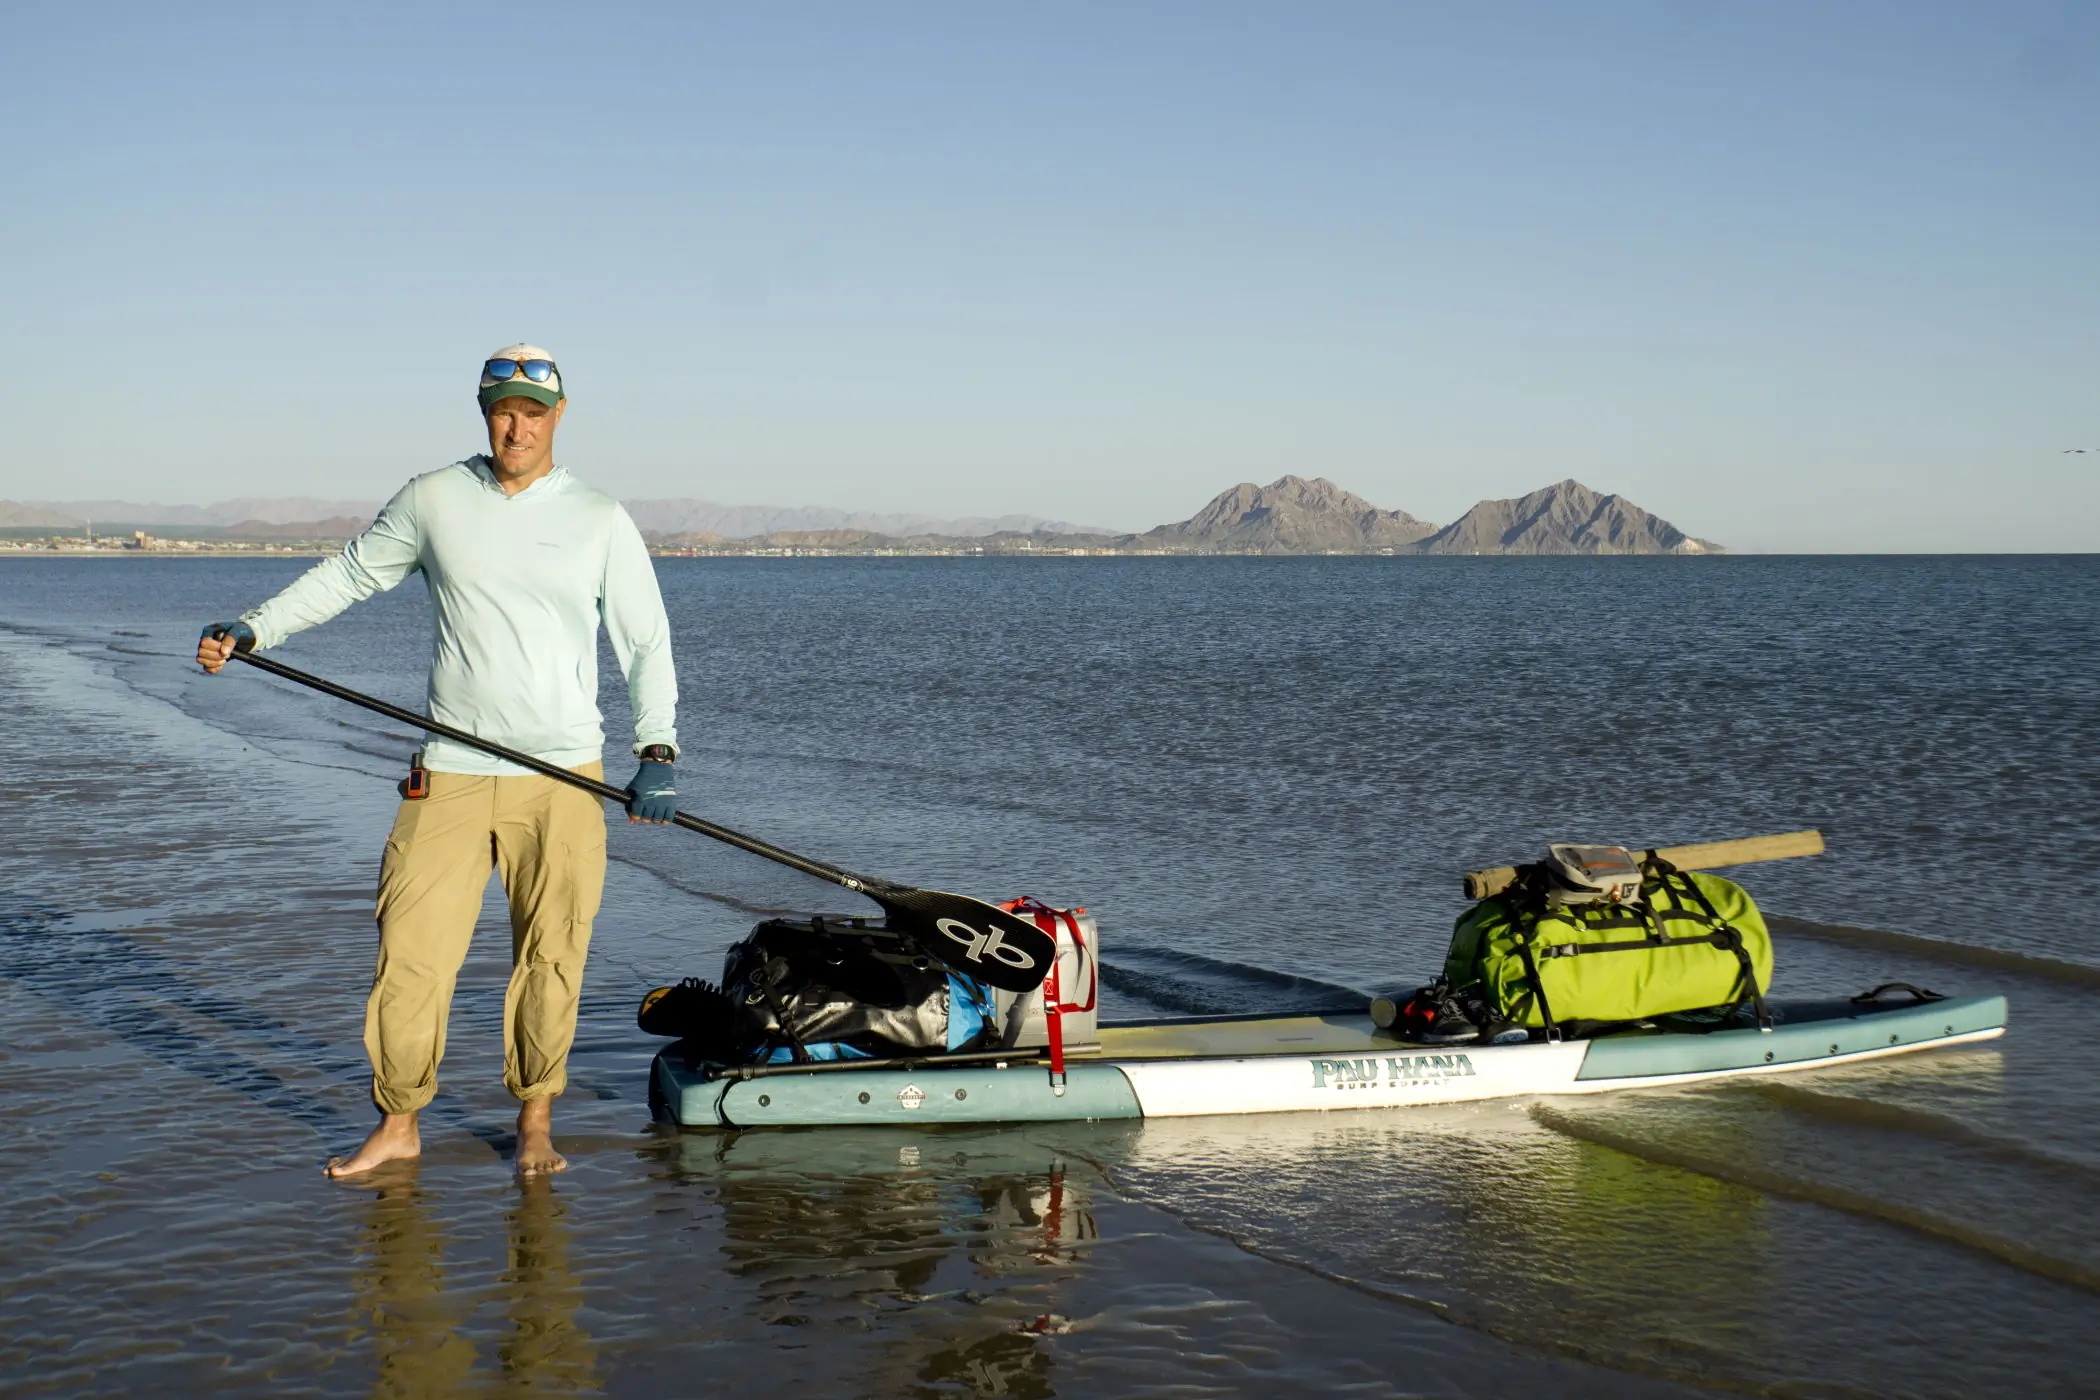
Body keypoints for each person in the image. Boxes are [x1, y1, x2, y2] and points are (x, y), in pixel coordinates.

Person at [196, 344, 681, 1177]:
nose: (516, 425)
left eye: (533, 410)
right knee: (410, 953)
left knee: (552, 956)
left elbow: (644, 640)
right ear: (484, 411)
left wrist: (657, 747)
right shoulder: (433, 499)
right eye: (503, 408)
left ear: (558, 417)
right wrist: (254, 629)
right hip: (451, 769)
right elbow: (347, 575)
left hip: (562, 778)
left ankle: (535, 1122)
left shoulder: (599, 517)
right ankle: (399, 1123)